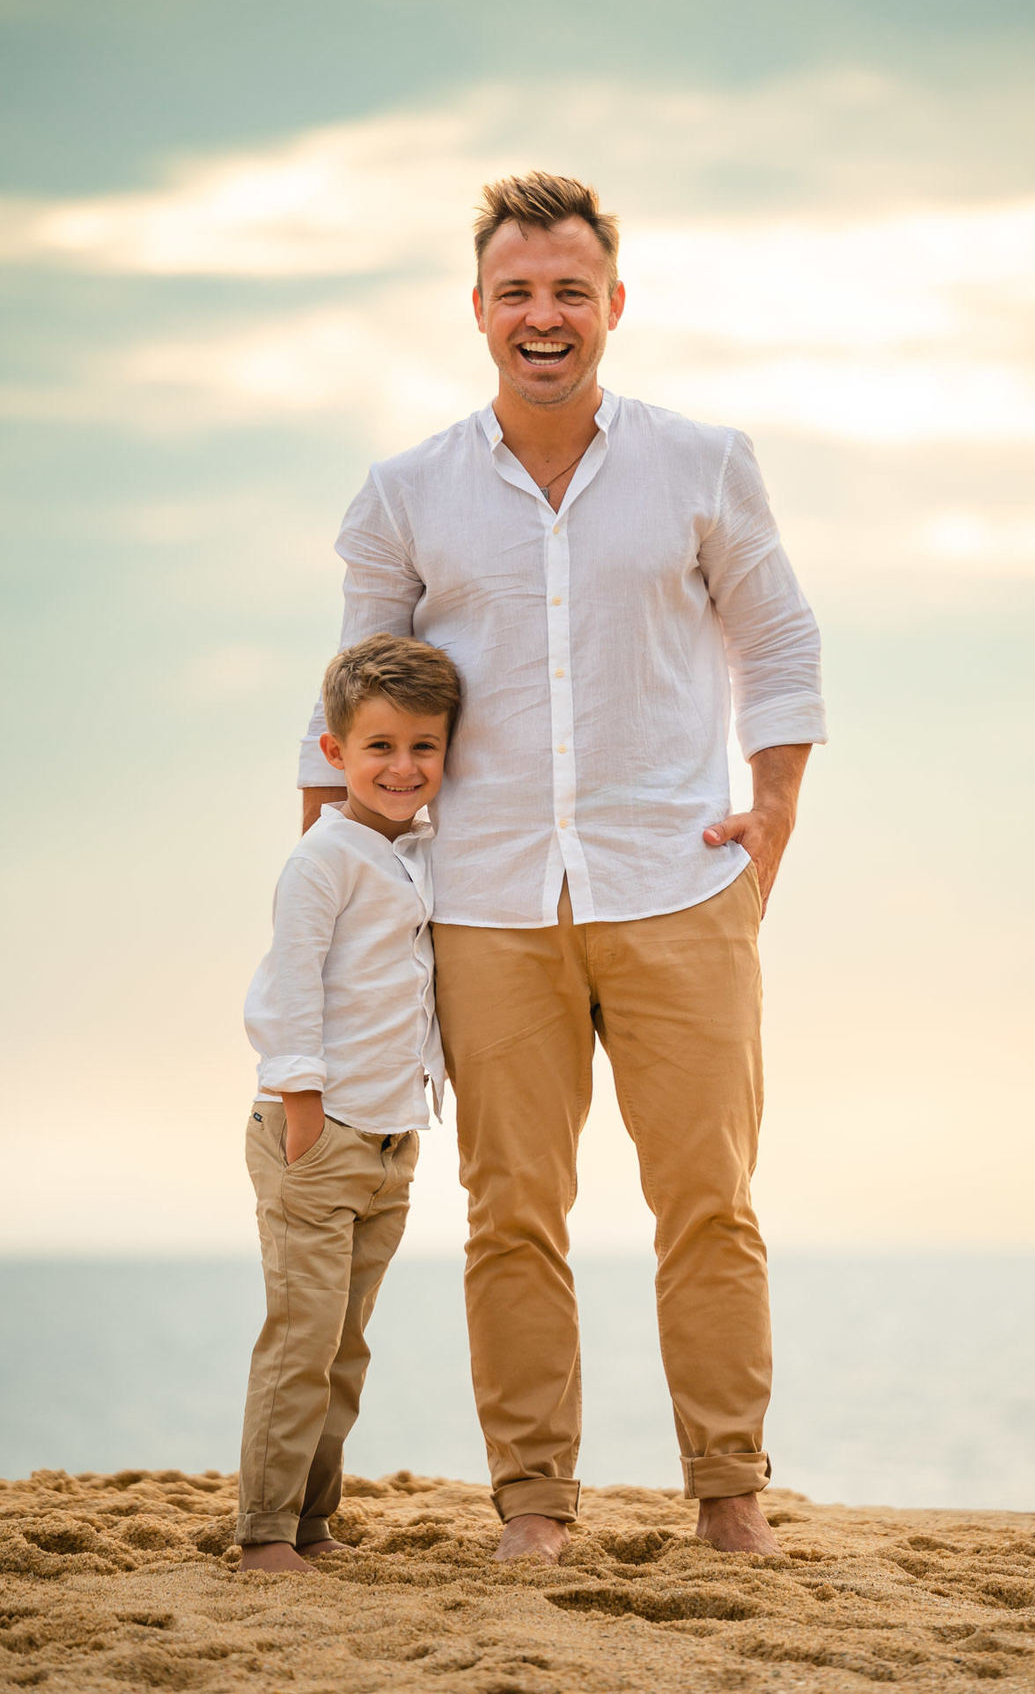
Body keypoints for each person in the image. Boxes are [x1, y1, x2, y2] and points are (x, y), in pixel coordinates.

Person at [299, 171, 826, 1563]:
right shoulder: (404, 493)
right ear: (480, 309)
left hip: (680, 885)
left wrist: (770, 816)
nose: (545, 315)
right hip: (483, 902)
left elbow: (779, 641)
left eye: (570, 291)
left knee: (709, 1199)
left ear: (613, 306)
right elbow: (339, 703)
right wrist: (328, 906)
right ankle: (534, 1502)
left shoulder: (704, 461)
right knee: (511, 1209)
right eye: (519, 291)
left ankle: (730, 1492)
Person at [238, 632, 461, 1573]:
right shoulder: (324, 858)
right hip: (316, 1134)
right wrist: (303, 1112)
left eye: (423, 746)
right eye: (379, 746)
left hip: (389, 1142)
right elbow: (288, 987)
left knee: (345, 1348)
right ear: (336, 753)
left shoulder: (416, 855)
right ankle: (263, 1534)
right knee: (301, 1342)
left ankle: (314, 1522)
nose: (402, 767)